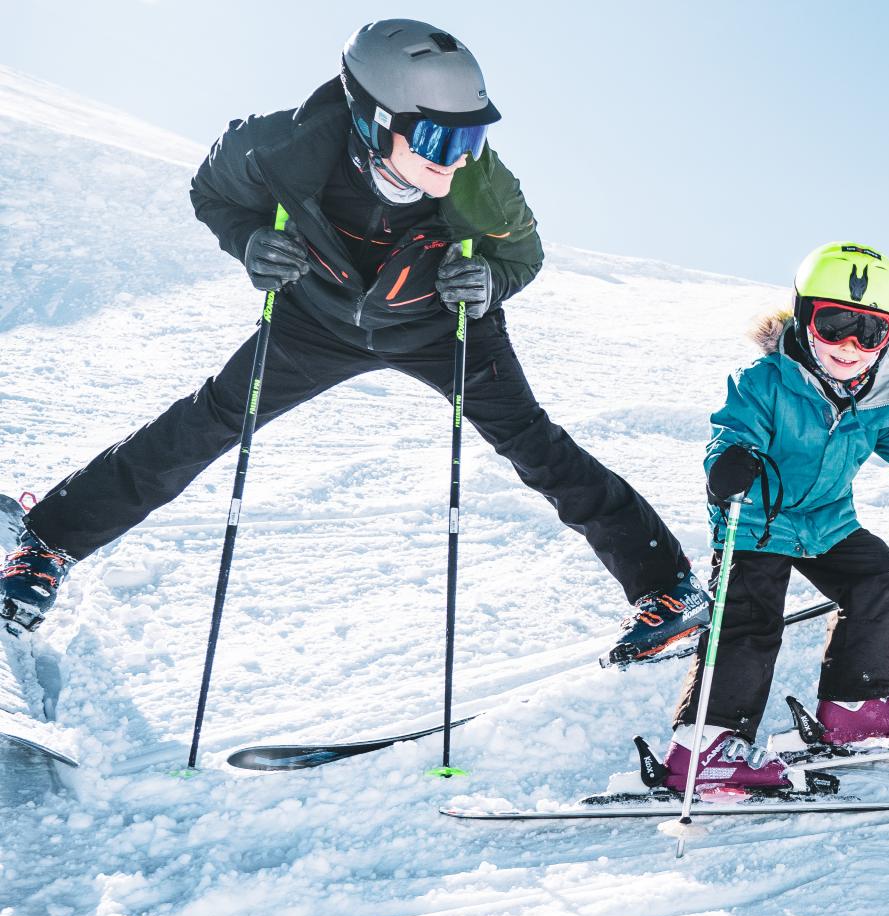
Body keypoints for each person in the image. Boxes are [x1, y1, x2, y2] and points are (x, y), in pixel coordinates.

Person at [0, 20, 708, 658]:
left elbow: (523, 256)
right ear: (374, 118)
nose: (457, 157)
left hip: (441, 322)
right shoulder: (277, 147)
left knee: (534, 444)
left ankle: (668, 588)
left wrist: (488, 283)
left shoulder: (482, 187)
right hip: (319, 317)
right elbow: (210, 193)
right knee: (212, 418)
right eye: (437, 136)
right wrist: (248, 241)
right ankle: (48, 544)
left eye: (472, 135)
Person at [660, 242, 889, 792]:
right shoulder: (764, 378)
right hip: (757, 520)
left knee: (876, 576)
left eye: (871, 332)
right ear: (802, 314)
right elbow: (733, 432)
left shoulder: (881, 392)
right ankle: (706, 746)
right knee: (748, 620)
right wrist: (729, 464)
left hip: (825, 520)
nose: (850, 345)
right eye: (833, 322)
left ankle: (854, 703)